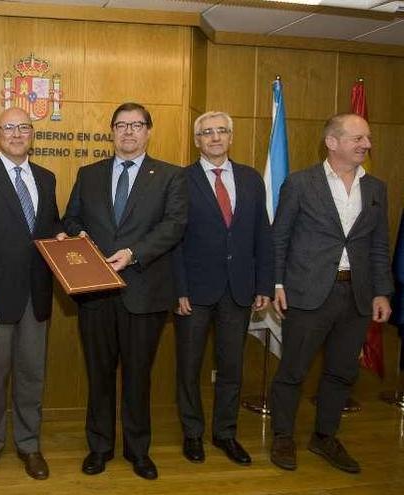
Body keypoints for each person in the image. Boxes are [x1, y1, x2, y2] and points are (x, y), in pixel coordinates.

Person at [62, 102, 187, 481]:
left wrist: (134, 254)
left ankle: (138, 451)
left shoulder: (170, 176)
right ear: (111, 131)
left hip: (144, 293)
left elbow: (174, 225)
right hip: (96, 292)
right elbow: (71, 218)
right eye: (121, 125)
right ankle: (99, 448)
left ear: (149, 131)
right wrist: (76, 235)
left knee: (138, 376)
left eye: (136, 125)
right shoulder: (89, 174)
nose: (128, 132)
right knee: (99, 375)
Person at [269, 113, 392, 474]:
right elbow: (280, 237)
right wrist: (277, 284)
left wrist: (382, 292)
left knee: (341, 372)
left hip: (356, 296)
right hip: (307, 293)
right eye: (358, 138)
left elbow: (379, 244)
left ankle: (325, 436)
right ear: (332, 142)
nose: (366, 145)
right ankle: (282, 436)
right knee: (292, 370)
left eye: (367, 138)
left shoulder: (376, 189)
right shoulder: (300, 183)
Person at [0, 107, 64, 482]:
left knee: (32, 376)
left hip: (37, 297)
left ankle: (29, 444)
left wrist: (67, 240)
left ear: (32, 133)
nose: (16, 134)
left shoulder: (47, 178)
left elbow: (49, 231)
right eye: (9, 128)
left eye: (23, 127)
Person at [172, 111, 272, 466]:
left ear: (231, 137)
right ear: (197, 140)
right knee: (189, 366)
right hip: (194, 291)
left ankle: (225, 433)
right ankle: (193, 434)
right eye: (207, 132)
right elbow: (174, 241)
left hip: (239, 289)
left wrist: (263, 283)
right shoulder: (180, 180)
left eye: (221, 131)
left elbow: (263, 233)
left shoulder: (250, 180)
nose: (215, 138)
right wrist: (179, 288)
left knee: (232, 366)